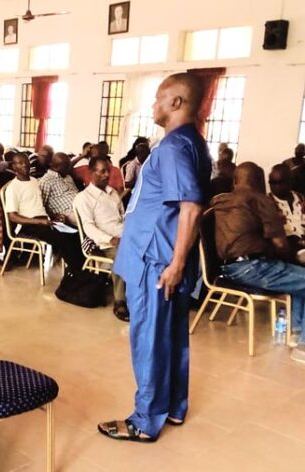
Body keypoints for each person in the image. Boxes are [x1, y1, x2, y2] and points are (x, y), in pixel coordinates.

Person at [99, 73, 211, 442]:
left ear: (177, 102)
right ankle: (173, 406)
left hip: (157, 258)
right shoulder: (193, 143)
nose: (153, 106)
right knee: (172, 335)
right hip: (165, 254)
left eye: (158, 99)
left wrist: (176, 264)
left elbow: (191, 208)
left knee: (148, 336)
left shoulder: (173, 148)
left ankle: (145, 420)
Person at [212, 162, 305, 363]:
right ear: (261, 182)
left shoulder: (219, 201)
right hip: (253, 268)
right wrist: (295, 259)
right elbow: (281, 245)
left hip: (225, 269)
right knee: (300, 275)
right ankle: (303, 347)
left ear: (235, 180)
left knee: (298, 280)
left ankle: (296, 329)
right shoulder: (261, 201)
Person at [5, 153, 84, 273]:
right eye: (20, 163)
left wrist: (54, 216)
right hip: (28, 224)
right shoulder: (13, 188)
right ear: (13, 167)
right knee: (63, 238)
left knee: (75, 234)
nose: (25, 165)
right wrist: (38, 221)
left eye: (26, 162)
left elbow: (40, 205)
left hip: (44, 220)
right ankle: (76, 273)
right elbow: (12, 217)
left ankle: (80, 270)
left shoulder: (34, 181)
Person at [74, 156, 128, 321]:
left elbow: (123, 217)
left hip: (123, 235)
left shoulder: (112, 193)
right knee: (123, 256)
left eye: (108, 171)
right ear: (91, 172)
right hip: (105, 243)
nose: (106, 175)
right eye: (102, 171)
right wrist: (110, 239)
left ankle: (145, 295)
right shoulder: (83, 198)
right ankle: (120, 301)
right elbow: (88, 227)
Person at [268, 164, 305, 260]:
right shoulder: (266, 203)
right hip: (287, 253)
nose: (276, 186)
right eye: (272, 182)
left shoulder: (301, 199)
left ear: (290, 182)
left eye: (280, 182)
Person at [38, 152, 78, 225]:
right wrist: (53, 216)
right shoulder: (46, 181)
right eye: (67, 167)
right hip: (68, 212)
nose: (70, 168)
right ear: (58, 167)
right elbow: (41, 206)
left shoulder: (68, 177)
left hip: (82, 205)